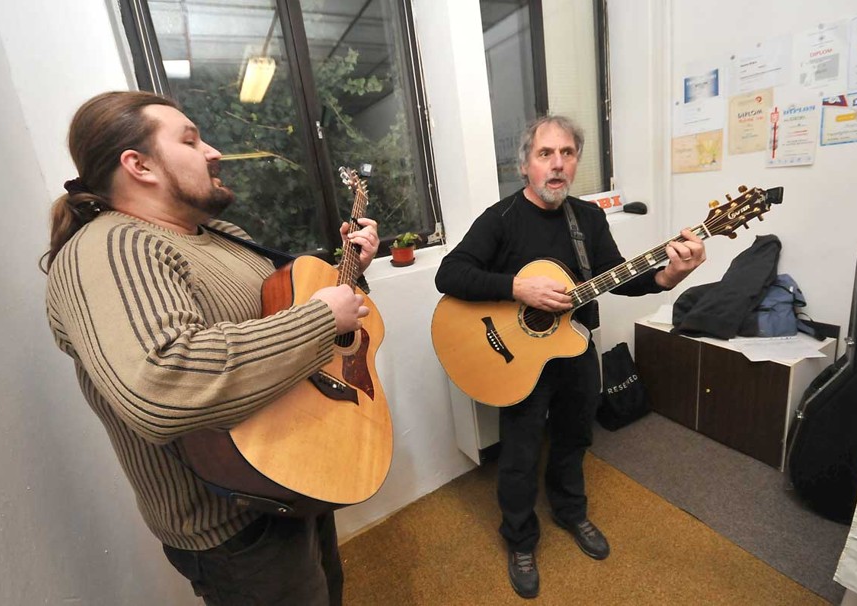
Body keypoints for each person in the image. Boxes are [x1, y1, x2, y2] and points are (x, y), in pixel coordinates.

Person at [43, 91, 380, 605]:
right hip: (233, 523)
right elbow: (164, 381)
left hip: (295, 467)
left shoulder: (223, 236)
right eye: (190, 140)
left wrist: (347, 276)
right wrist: (319, 320)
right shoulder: (109, 249)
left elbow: (275, 318)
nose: (214, 151)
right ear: (138, 165)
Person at [434, 115, 706, 599]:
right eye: (545, 154)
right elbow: (449, 274)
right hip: (515, 360)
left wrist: (669, 276)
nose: (557, 164)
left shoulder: (589, 219)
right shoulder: (500, 219)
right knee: (519, 453)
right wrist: (517, 287)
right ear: (525, 166)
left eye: (567, 153)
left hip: (575, 348)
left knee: (575, 438)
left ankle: (570, 512)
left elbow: (618, 275)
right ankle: (520, 539)